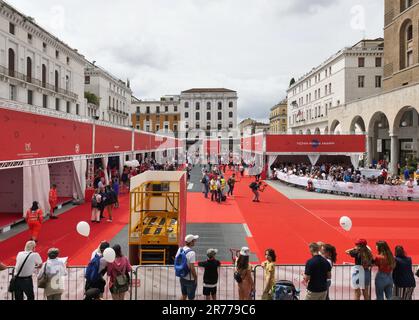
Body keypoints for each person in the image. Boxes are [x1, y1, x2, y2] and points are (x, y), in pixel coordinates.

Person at [175, 234, 199, 300]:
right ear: (191, 242)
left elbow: (176, 260)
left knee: (184, 295)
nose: (195, 241)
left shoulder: (180, 249)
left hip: (182, 277)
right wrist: (196, 278)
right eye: (194, 240)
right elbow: (192, 268)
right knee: (191, 298)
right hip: (190, 279)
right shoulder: (192, 253)